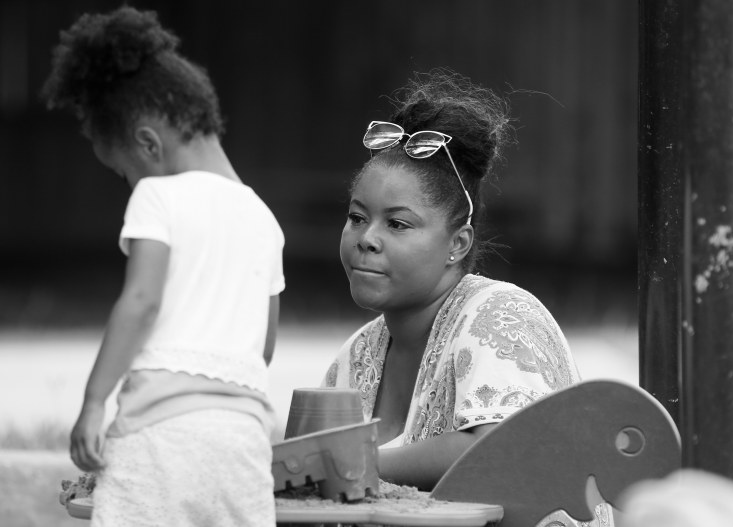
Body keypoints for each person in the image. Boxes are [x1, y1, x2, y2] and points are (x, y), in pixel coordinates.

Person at [42, 7, 284, 526]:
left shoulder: (157, 197)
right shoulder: (264, 218)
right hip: (242, 444)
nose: (129, 183)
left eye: (122, 170)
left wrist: (93, 401)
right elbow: (262, 346)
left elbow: (142, 301)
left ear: (148, 144)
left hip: (159, 438)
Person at [322, 70, 581, 490]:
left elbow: (505, 449)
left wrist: (354, 464)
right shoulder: (356, 357)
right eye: (357, 217)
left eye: (398, 224)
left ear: (457, 245)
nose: (367, 239)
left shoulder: (500, 318)